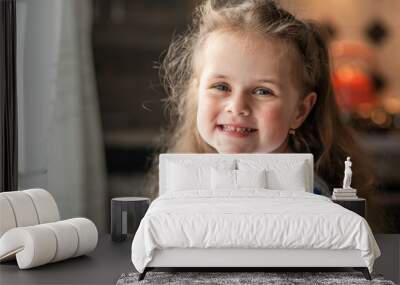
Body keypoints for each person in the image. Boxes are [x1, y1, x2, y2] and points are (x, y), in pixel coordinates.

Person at [145, 0, 381, 231]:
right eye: (221, 86)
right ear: (197, 93)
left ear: (300, 111)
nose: (237, 107)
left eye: (262, 91)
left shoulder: (311, 200)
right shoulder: (184, 186)